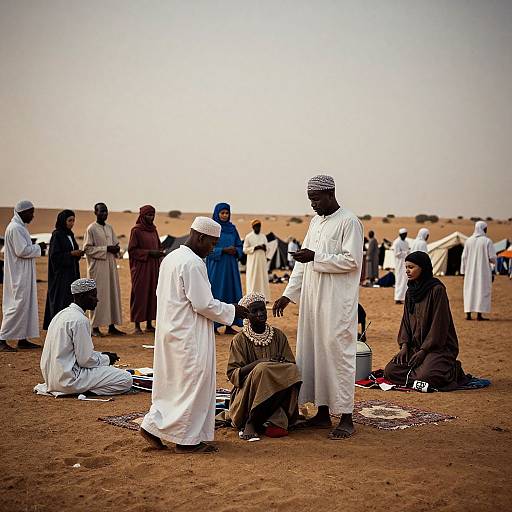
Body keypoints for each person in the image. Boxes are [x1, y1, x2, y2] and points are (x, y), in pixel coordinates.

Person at [140, 217, 249, 453]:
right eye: (212, 244)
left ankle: (152, 426)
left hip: (171, 331)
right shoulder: (193, 263)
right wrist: (234, 311)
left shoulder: (171, 258)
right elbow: (203, 304)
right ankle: (186, 441)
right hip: (189, 335)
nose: (212, 249)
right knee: (193, 384)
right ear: (200, 237)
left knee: (173, 386)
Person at [273, 174, 363, 439]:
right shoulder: (315, 223)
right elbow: (303, 262)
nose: (312, 205)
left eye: (315, 199)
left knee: (338, 356)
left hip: (336, 304)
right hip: (312, 303)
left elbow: (352, 261)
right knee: (314, 354)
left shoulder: (349, 221)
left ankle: (346, 417)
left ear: (330, 194)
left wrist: (316, 256)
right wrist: (288, 295)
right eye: (310, 199)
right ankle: (322, 414)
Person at [384, 252, 468, 391]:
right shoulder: (410, 291)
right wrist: (404, 346)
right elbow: (405, 321)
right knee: (390, 371)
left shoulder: (437, 290)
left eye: (411, 267)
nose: (407, 271)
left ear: (423, 268)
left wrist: (424, 351)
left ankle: (452, 369)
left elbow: (439, 326)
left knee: (424, 377)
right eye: (406, 267)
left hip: (437, 348)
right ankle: (421, 371)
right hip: (415, 347)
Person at [36, 279, 133, 396]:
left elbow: (76, 353)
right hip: (70, 379)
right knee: (126, 378)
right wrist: (106, 359)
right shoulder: (80, 320)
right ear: (81, 296)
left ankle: (79, 388)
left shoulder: (61, 314)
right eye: (93, 296)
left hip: (52, 379)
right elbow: (85, 360)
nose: (97, 300)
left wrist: (102, 355)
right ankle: (81, 391)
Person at [226, 293, 302, 440]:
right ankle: (251, 420)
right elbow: (233, 374)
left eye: (262, 310)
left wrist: (279, 363)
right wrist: (259, 363)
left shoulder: (278, 335)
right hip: (247, 393)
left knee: (293, 371)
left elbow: (290, 365)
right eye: (255, 311)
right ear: (247, 315)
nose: (260, 314)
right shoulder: (239, 340)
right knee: (263, 370)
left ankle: (266, 419)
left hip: (275, 394)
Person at [0, 200, 46, 352]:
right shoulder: (15, 228)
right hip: (18, 275)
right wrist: (38, 247)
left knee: (25, 305)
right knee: (16, 306)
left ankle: (22, 339)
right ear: (22, 212)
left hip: (24, 273)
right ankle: (2, 339)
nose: (32, 216)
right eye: (30, 212)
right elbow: (22, 251)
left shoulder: (20, 228)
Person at [83, 203, 124, 336]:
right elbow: (87, 249)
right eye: (101, 212)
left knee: (112, 294)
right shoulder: (91, 229)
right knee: (98, 296)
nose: (104, 214)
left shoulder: (109, 228)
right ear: (95, 212)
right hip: (98, 268)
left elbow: (115, 244)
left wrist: (116, 248)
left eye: (106, 211)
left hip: (110, 266)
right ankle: (94, 327)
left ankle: (112, 326)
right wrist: (106, 249)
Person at [206, 203, 243, 334]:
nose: (224, 215)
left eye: (227, 213)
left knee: (230, 293)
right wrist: (223, 250)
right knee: (216, 294)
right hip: (216, 268)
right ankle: (213, 326)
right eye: (222, 213)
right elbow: (207, 249)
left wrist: (236, 250)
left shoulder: (233, 229)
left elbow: (239, 245)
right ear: (217, 213)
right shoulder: (212, 228)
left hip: (231, 268)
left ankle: (229, 325)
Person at [43, 210, 83, 329]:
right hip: (60, 277)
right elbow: (55, 257)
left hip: (72, 274)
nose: (72, 223)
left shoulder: (70, 234)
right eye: (69, 220)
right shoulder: (57, 235)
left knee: (71, 300)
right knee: (60, 301)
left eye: (73, 220)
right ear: (63, 221)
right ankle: (57, 328)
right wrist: (71, 254)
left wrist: (77, 254)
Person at [128, 205, 164, 334]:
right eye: (148, 215)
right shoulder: (136, 230)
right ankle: (137, 325)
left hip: (154, 267)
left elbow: (158, 246)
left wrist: (159, 253)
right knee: (140, 293)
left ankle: (149, 324)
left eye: (153, 215)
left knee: (152, 294)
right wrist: (149, 253)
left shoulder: (153, 230)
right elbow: (132, 251)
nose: (151, 217)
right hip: (141, 267)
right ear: (142, 216)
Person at [460, 221, 497, 321]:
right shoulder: (487, 241)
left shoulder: (468, 241)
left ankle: (468, 314)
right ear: (484, 229)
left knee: (469, 291)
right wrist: (493, 270)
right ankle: (479, 315)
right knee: (481, 290)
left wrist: (463, 272)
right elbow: (493, 258)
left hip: (469, 272)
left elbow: (464, 257)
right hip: (483, 272)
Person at [243, 220, 270, 300]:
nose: (258, 228)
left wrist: (264, 248)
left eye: (259, 226)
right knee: (252, 278)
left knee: (262, 278)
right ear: (253, 227)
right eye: (256, 226)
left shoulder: (263, 236)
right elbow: (245, 249)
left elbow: (268, 248)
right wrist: (255, 248)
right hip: (252, 262)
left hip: (262, 262)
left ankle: (264, 297)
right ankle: (251, 297)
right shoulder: (248, 236)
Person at [392, 228, 410, 304]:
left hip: (405, 264)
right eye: (404, 234)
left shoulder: (406, 242)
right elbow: (396, 254)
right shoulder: (396, 242)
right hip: (399, 264)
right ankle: (397, 298)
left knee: (405, 280)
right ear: (400, 235)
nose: (405, 236)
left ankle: (403, 297)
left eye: (406, 234)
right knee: (399, 280)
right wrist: (405, 253)